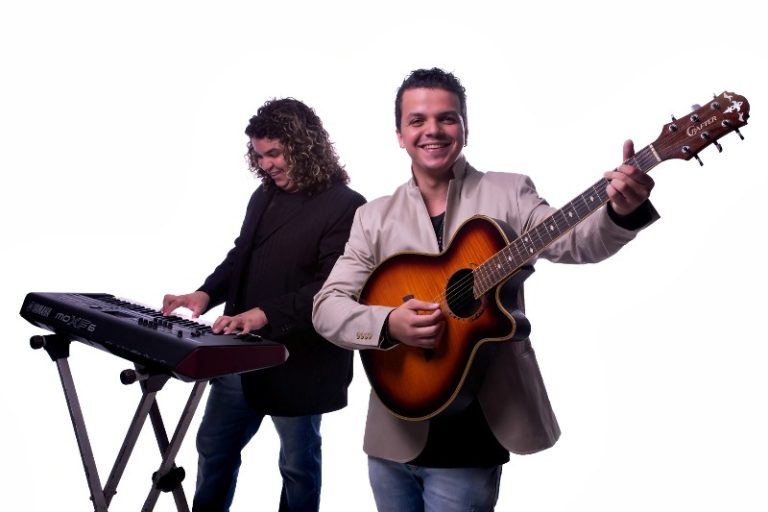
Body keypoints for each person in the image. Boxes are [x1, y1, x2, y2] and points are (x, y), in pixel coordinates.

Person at [312, 67, 657, 511]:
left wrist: (620, 212)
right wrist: (388, 323)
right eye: (417, 120)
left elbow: (574, 241)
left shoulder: (509, 192)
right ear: (400, 135)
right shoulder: (372, 217)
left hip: (475, 435)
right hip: (393, 434)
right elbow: (327, 308)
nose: (433, 130)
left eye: (447, 118)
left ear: (465, 128)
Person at [162, 97, 366, 512]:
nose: (266, 164)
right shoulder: (264, 195)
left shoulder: (347, 205)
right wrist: (204, 294)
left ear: (304, 147)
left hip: (300, 362)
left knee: (297, 467)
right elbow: (241, 255)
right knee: (213, 447)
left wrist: (265, 314)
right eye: (259, 156)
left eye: (274, 153)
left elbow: (333, 287)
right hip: (239, 356)